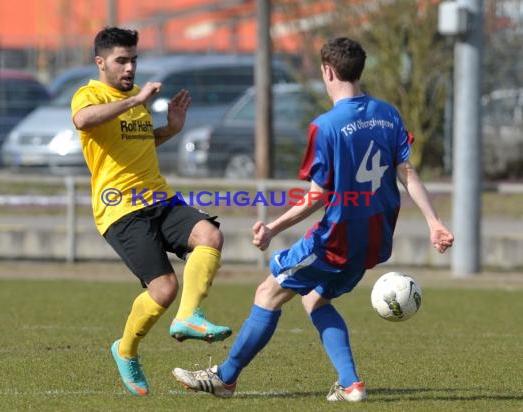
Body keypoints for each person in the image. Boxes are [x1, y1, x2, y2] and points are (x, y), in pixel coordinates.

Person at [172, 37, 454, 402]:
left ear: (327, 71)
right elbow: (408, 172)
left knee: (268, 292)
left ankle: (225, 378)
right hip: (375, 240)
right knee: (315, 300)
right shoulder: (388, 114)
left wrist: (273, 227)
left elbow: (317, 196)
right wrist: (435, 223)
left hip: (337, 239)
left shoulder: (326, 126)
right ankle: (351, 384)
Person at [71, 27, 232, 396]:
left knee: (210, 234)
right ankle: (125, 349)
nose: (129, 68)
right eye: (121, 61)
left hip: (158, 198)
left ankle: (189, 316)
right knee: (163, 289)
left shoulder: (135, 101)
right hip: (120, 210)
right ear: (101, 63)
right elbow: (84, 122)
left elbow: (138, 141)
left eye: (133, 60)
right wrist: (135, 100)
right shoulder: (89, 94)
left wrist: (171, 129)